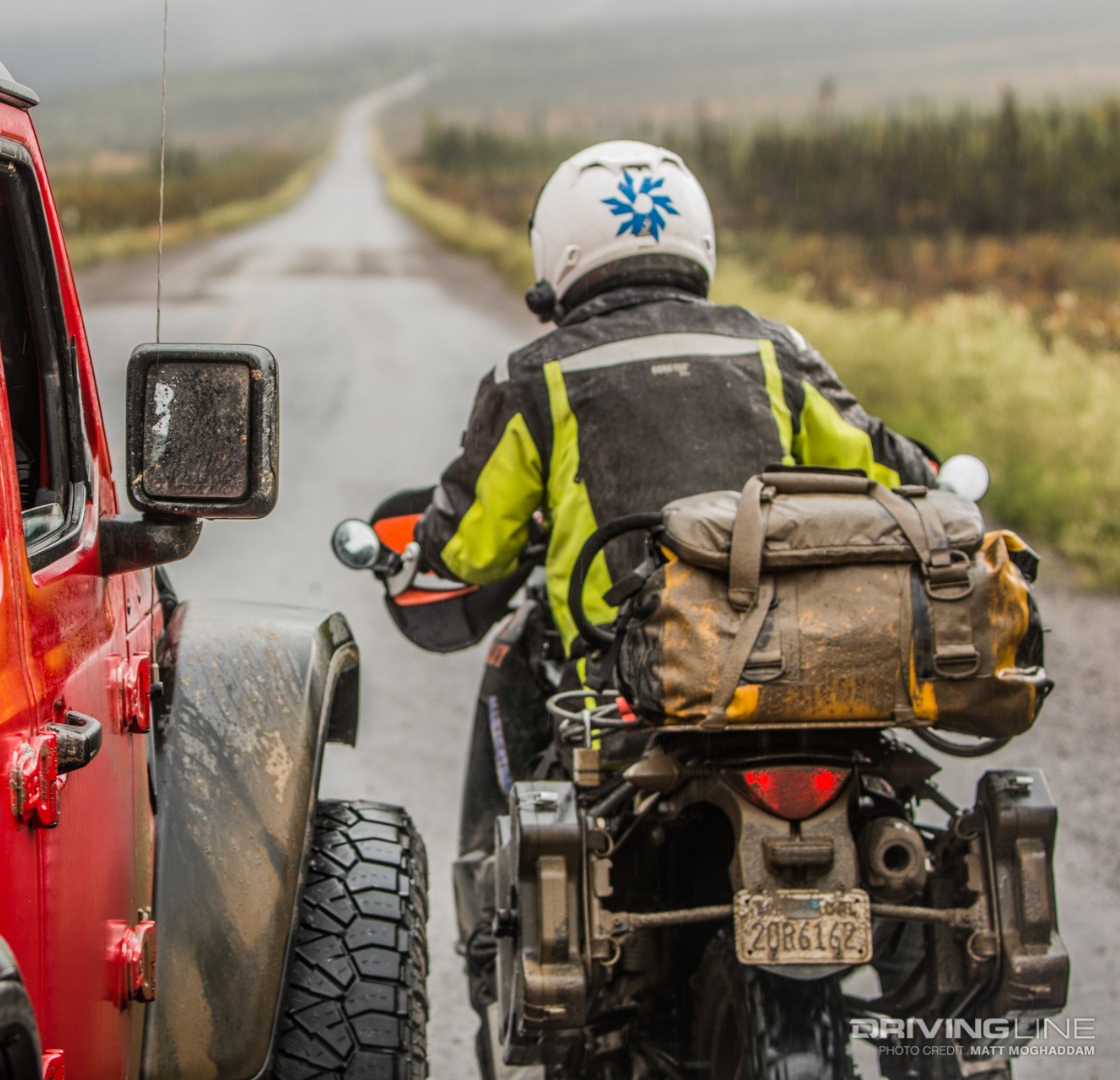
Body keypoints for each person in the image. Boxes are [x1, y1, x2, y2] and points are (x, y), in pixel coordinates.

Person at [399, 141, 935, 1067]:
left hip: (631, 696)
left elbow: (462, 558)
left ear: (556, 253)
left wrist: (413, 569)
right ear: (696, 235)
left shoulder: (537, 376)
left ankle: (514, 962)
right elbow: (895, 476)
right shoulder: (773, 349)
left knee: (534, 706)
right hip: (801, 689)